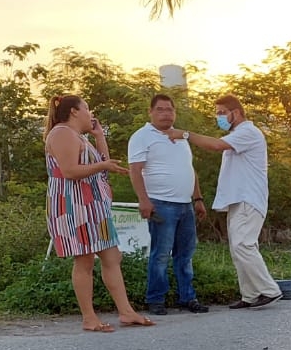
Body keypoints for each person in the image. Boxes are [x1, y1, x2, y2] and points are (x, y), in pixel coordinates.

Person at [44, 95, 153, 332]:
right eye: (87, 109)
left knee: (112, 256)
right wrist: (103, 166)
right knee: (84, 259)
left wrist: (100, 137)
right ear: (74, 111)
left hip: (94, 206)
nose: (90, 113)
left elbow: (103, 162)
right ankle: (89, 317)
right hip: (74, 205)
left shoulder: (80, 137)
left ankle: (126, 312)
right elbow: (70, 171)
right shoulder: (62, 133)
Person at [171, 95, 279, 308]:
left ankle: (269, 290)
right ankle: (250, 295)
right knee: (238, 247)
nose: (218, 117)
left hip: (249, 198)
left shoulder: (248, 132)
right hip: (239, 200)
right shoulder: (239, 134)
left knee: (243, 245)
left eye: (222, 112)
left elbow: (216, 145)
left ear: (236, 113)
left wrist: (185, 134)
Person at [128, 93, 208, 314]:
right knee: (161, 254)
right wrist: (143, 201)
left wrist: (198, 199)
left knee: (185, 254)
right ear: (151, 112)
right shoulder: (142, 136)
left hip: (185, 205)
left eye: (169, 109)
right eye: (160, 109)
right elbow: (135, 170)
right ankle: (155, 299)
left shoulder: (181, 136)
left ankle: (187, 297)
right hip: (161, 204)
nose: (166, 114)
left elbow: (189, 169)